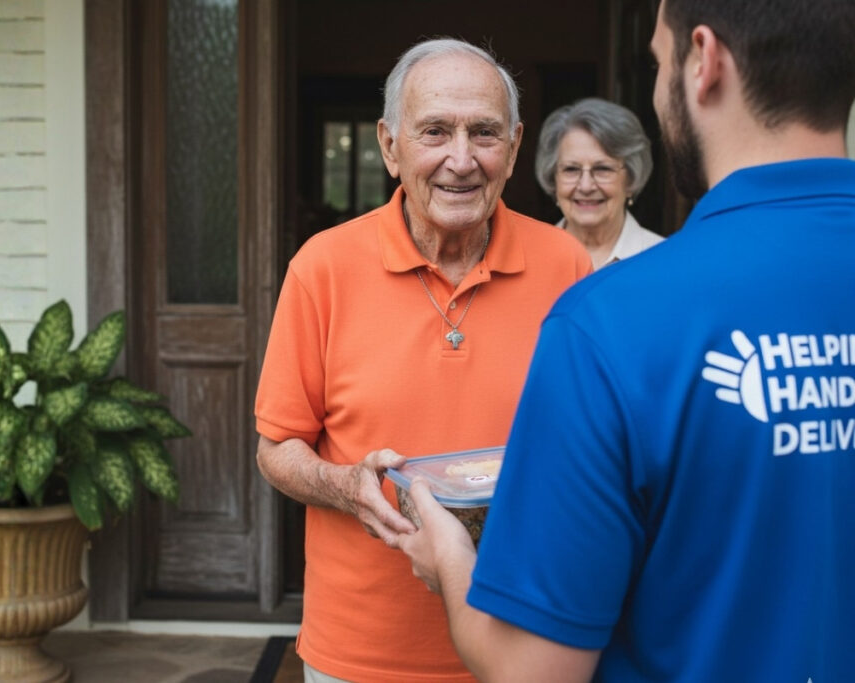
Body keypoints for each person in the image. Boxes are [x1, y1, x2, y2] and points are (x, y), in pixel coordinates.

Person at [398, 1, 855, 681]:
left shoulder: (609, 321)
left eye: (658, 59)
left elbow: (534, 671)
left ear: (704, 61)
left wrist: (449, 558)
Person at [254, 38, 591, 682]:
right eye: (434, 131)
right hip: (360, 653)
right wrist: (346, 486)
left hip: (523, 645)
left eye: (484, 134)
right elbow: (277, 448)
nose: (460, 160)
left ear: (515, 148)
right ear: (389, 146)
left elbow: (596, 445)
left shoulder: (567, 267)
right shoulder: (321, 268)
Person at [535, 97, 663, 269]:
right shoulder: (531, 259)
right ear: (553, 178)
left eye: (603, 169)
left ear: (631, 180)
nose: (586, 186)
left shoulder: (664, 260)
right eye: (571, 169)